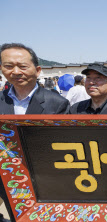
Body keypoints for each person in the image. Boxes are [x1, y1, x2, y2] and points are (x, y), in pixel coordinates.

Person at [0, 43, 69, 221]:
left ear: (37, 70)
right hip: (6, 176)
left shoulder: (57, 103)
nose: (15, 72)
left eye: (22, 66)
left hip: (44, 177)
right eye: (8, 66)